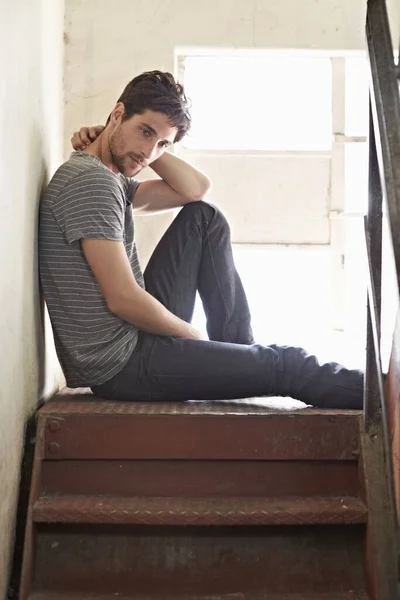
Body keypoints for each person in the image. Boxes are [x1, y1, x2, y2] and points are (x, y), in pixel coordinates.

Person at [39, 70, 363, 408]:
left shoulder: (108, 179)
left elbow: (195, 190)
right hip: (122, 365)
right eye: (145, 131)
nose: (150, 151)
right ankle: (384, 397)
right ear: (118, 114)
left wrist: (143, 145)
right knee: (289, 364)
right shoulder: (93, 184)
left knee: (204, 218)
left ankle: (240, 353)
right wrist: (190, 335)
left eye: (163, 143)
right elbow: (123, 299)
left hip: (133, 342)